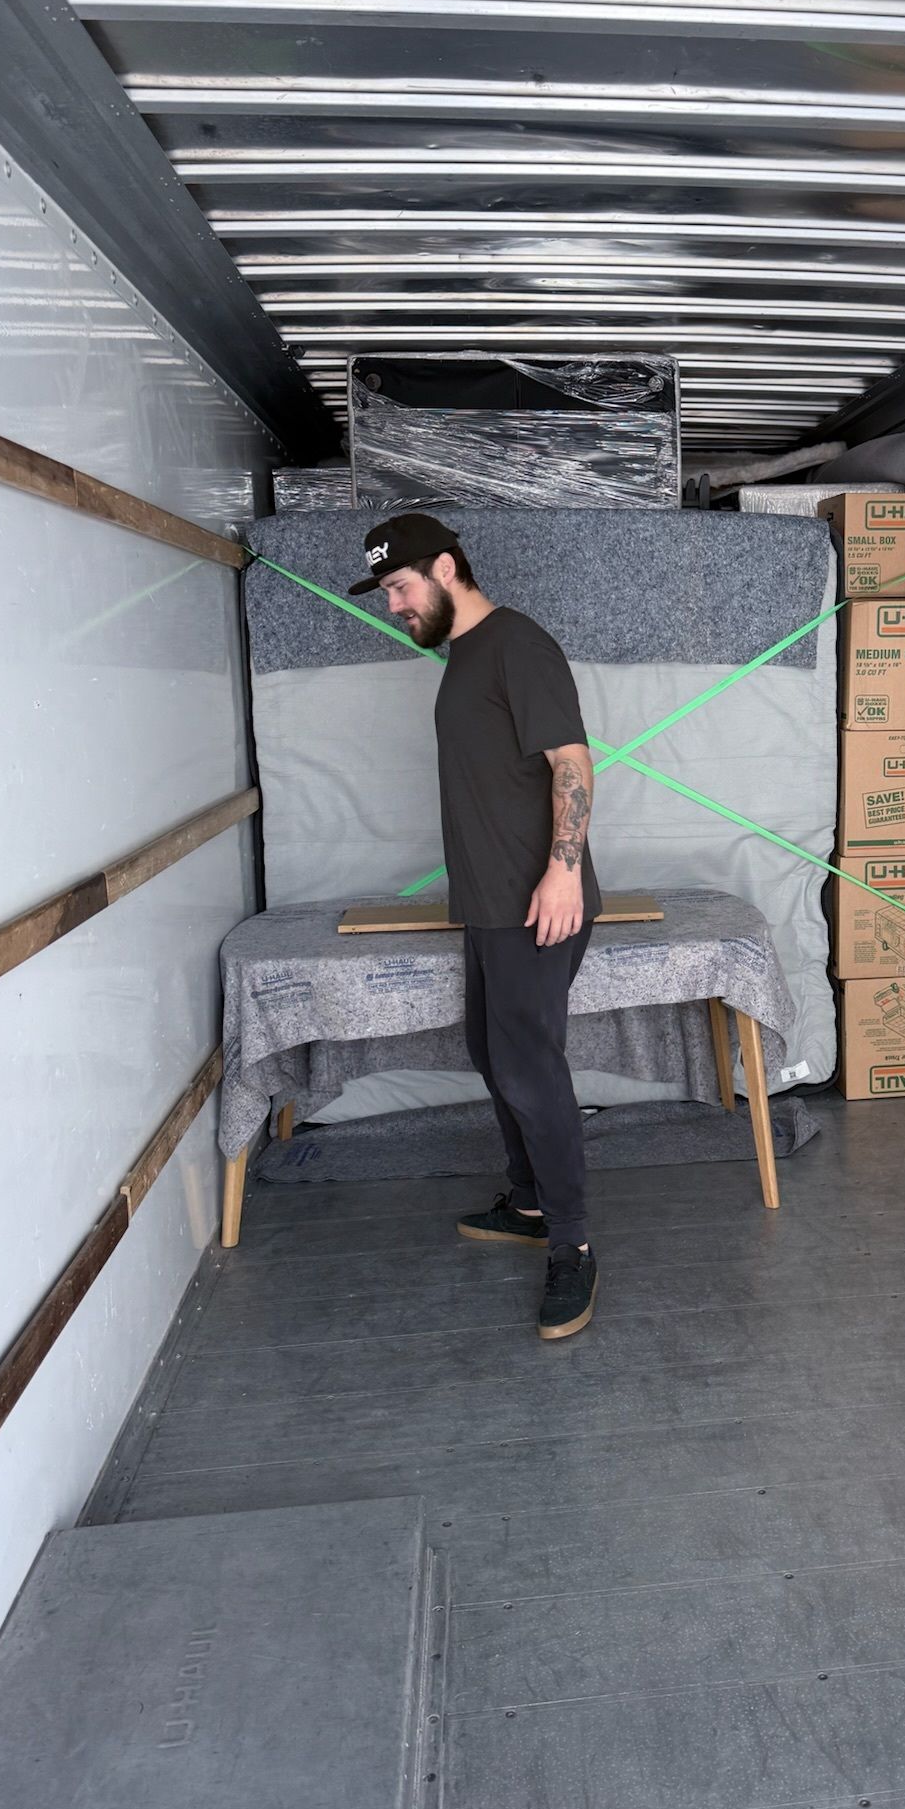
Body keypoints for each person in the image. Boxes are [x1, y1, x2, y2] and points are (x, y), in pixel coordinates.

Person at [350, 511, 603, 1340]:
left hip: (537, 902)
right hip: (491, 904)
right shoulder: (462, 660)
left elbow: (571, 760)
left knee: (531, 1067)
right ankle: (529, 1202)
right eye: (387, 592)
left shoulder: (516, 645)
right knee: (491, 1052)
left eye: (399, 587)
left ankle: (572, 1243)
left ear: (447, 568)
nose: (393, 606)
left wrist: (564, 869)